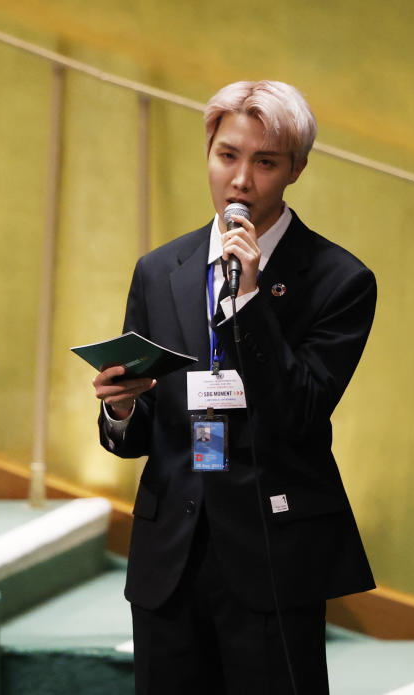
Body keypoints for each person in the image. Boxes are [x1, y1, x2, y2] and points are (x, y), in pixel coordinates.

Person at [92, 81, 375, 695]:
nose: (241, 180)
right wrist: (121, 411)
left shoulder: (339, 280)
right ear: (210, 153)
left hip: (272, 551)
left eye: (264, 162)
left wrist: (249, 300)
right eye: (227, 155)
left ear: (296, 168)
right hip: (171, 553)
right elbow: (138, 434)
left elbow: (300, 409)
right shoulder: (160, 269)